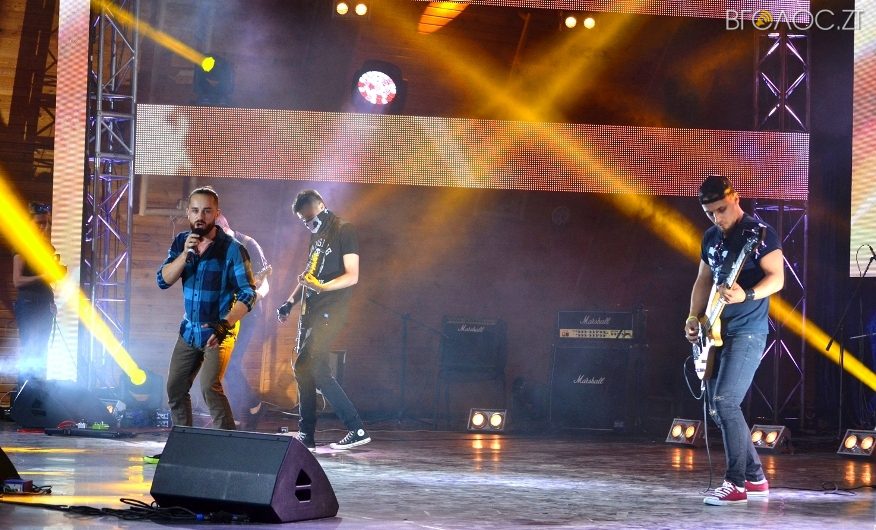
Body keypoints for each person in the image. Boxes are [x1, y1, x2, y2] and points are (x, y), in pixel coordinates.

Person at [684, 175, 784, 506]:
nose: (717, 218)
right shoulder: (710, 237)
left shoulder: (759, 233)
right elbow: (703, 279)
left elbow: (777, 279)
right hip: (714, 331)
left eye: (721, 210)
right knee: (717, 408)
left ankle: (736, 484)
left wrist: (748, 294)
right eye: (710, 213)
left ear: (736, 198)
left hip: (748, 330)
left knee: (726, 401)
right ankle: (755, 478)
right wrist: (693, 317)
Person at [157, 186, 256, 431]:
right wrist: (184, 255)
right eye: (195, 210)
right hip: (189, 331)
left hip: (218, 331)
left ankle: (225, 446)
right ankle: (184, 444)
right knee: (175, 388)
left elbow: (248, 293)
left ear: (216, 214)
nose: (200, 216)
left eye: (206, 211)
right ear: (188, 213)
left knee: (209, 388)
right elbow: (163, 280)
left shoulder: (233, 249)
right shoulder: (181, 242)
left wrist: (224, 325)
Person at [277, 189, 370, 451]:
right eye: (304, 221)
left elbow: (352, 275)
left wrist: (323, 287)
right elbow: (308, 275)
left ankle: (356, 428)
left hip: (333, 309)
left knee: (314, 367)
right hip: (314, 311)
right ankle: (307, 435)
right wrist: (289, 303)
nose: (308, 224)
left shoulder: (344, 229)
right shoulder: (315, 236)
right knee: (303, 367)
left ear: (320, 205)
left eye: (310, 218)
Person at [215, 213, 271, 430]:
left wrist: (252, 297)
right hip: (226, 314)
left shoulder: (248, 245)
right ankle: (251, 407)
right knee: (225, 363)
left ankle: (244, 412)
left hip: (248, 314)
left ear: (223, 228)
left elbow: (265, 284)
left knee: (231, 362)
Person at [12, 203, 62, 393]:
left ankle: (37, 395)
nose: (44, 227)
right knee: (30, 348)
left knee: (42, 350)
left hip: (44, 303)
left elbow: (47, 279)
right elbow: (17, 281)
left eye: (47, 223)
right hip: (29, 303)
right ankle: (23, 395)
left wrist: (51, 300)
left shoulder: (47, 247)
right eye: (39, 223)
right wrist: (44, 276)